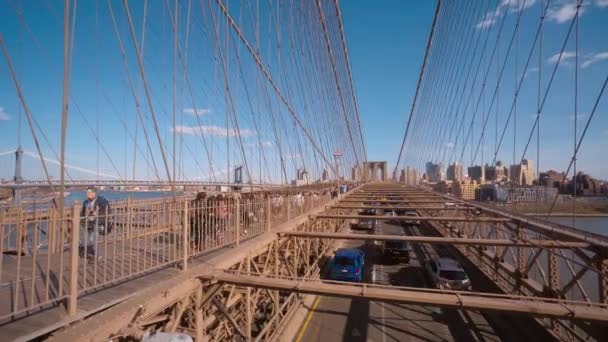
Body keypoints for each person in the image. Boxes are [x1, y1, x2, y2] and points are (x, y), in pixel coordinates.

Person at [80, 187, 110, 260]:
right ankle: (91, 252)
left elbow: (108, 211)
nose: (88, 194)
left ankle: (97, 255)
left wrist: (97, 213)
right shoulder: (85, 202)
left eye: (90, 193)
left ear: (94, 193)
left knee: (93, 238)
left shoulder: (102, 201)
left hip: (99, 222)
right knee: (88, 238)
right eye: (87, 193)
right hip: (88, 222)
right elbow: (83, 213)